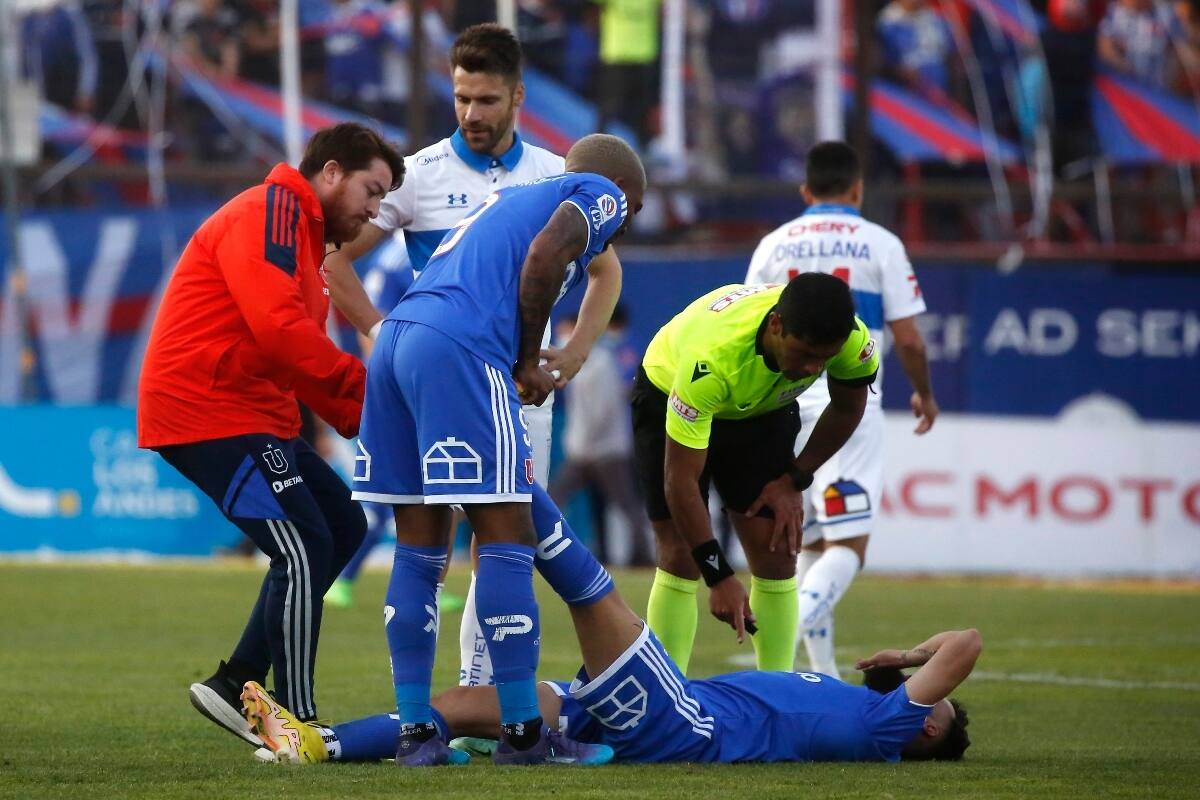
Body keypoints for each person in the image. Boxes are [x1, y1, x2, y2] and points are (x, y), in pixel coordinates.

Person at [322, 23, 627, 687]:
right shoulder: (419, 175)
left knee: (502, 547)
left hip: (519, 390)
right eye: (461, 98)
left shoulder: (557, 173)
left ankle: (473, 701)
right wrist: (376, 330)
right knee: (426, 548)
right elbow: (333, 258)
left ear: (517, 96)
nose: (471, 113)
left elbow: (607, 271)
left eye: (486, 99)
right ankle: (453, 711)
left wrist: (575, 353)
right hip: (442, 383)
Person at [349, 132, 646, 766]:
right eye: (634, 210)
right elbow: (547, 253)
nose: (625, 223)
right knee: (507, 537)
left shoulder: (514, 197)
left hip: (398, 340)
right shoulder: (600, 190)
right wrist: (526, 358)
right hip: (461, 347)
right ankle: (524, 735)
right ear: (624, 190)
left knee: (419, 549)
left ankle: (416, 735)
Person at [137, 122, 404, 744]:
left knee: (343, 525)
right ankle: (296, 721)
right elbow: (281, 330)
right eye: (371, 190)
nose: (374, 211)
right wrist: (376, 398)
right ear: (331, 172)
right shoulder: (277, 209)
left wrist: (373, 416)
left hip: (251, 411)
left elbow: (293, 352)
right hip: (208, 408)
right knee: (305, 543)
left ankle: (237, 682)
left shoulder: (303, 238)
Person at [241, 550, 978, 766]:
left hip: (684, 725)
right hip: (671, 712)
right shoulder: (875, 711)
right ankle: (319, 744)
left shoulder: (885, 730)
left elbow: (966, 643)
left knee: (585, 584)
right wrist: (908, 656)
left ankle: (509, 475)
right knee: (453, 709)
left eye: (931, 698)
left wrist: (915, 655)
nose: (920, 684)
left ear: (928, 729)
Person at [744, 141, 936, 679]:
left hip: (781, 402)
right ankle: (781, 636)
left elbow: (750, 321)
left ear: (806, 191)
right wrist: (924, 392)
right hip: (846, 405)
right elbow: (909, 338)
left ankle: (820, 677)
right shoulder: (881, 243)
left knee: (808, 543)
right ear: (858, 189)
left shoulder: (774, 244)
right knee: (849, 544)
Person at [638, 274, 879, 676]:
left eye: (824, 359)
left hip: (761, 407)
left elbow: (848, 407)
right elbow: (680, 482)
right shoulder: (710, 362)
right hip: (670, 388)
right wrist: (718, 575)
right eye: (805, 354)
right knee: (681, 551)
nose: (812, 368)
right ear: (776, 326)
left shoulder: (853, 341)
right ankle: (667, 695)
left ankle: (776, 690)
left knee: (777, 549)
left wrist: (794, 479)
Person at [548, 314, 653, 566]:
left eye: (565, 333)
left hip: (604, 451)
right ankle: (538, 547)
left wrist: (580, 444)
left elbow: (602, 411)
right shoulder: (583, 364)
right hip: (589, 448)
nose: (560, 339)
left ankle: (642, 555)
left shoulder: (600, 362)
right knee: (555, 497)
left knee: (626, 504)